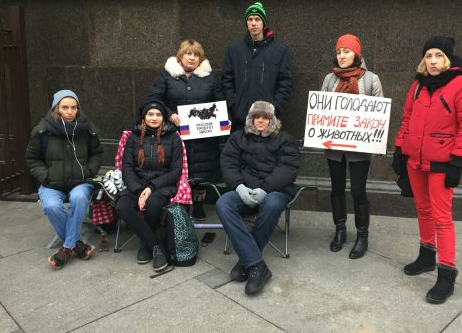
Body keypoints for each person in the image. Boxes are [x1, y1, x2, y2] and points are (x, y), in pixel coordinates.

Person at [392, 36, 462, 304]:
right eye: (428, 56)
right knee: (423, 209)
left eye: (438, 55)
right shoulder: (418, 84)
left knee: (442, 218)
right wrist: (400, 148)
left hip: (442, 163)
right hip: (416, 160)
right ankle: (427, 255)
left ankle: (447, 274)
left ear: (448, 59)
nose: (432, 61)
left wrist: (458, 161)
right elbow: (407, 118)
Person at [216, 101, 300, 295]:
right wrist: (239, 187)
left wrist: (265, 189)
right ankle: (257, 265)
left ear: (272, 120)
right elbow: (228, 164)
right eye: (257, 117)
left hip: (275, 191)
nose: (260, 120)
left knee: (271, 204)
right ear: (250, 119)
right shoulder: (238, 138)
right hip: (244, 190)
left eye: (265, 117)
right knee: (223, 203)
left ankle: (247, 261)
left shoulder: (285, 139)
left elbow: (288, 169)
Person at [320, 34, 384, 259]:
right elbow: (321, 111)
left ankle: (362, 236)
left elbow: (379, 115)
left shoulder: (371, 79)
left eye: (346, 51)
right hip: (335, 146)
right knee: (336, 188)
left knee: (358, 191)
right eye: (339, 52)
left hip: (360, 148)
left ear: (356, 54)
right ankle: (340, 231)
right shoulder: (330, 79)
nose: (342, 56)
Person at [25, 90, 103, 269]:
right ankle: (77, 244)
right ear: (56, 108)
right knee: (51, 206)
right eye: (65, 107)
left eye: (74, 108)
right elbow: (32, 159)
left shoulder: (86, 128)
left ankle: (67, 247)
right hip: (51, 183)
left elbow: (97, 153)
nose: (70, 112)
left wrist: (88, 171)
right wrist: (46, 176)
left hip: (80, 182)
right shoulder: (42, 131)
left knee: (79, 197)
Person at [148, 39, 224, 220]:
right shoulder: (166, 76)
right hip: (174, 133)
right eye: (188, 54)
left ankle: (198, 204)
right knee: (176, 168)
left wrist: (223, 118)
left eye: (196, 54)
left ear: (201, 58)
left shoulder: (210, 78)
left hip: (203, 136)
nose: (192, 58)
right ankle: (177, 203)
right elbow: (154, 99)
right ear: (180, 56)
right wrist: (169, 114)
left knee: (201, 170)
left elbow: (220, 101)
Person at [115, 100, 183, 272]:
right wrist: (139, 191)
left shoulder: (174, 137)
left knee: (153, 204)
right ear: (143, 117)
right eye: (150, 114)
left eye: (158, 115)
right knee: (122, 205)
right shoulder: (133, 137)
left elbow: (175, 170)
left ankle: (145, 245)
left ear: (164, 118)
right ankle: (154, 244)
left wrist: (151, 188)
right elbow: (127, 167)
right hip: (136, 185)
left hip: (161, 186)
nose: (154, 118)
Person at [222, 1, 293, 130]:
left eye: (257, 19)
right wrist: (234, 106)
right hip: (240, 119)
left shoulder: (279, 50)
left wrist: (274, 108)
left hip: (266, 120)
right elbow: (227, 81)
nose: (253, 23)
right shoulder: (234, 50)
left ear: (263, 22)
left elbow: (285, 83)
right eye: (250, 19)